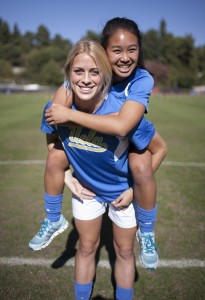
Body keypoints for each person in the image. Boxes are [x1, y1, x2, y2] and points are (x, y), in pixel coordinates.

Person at [44, 17, 168, 270]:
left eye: (132, 50)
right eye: (116, 51)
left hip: (130, 141)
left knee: (141, 166)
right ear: (103, 53)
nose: (125, 58)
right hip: (101, 147)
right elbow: (55, 114)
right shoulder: (91, 74)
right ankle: (52, 219)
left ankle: (147, 232)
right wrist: (66, 173)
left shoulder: (141, 79)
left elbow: (123, 125)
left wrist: (134, 190)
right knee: (59, 155)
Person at [41, 39, 139, 300]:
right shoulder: (57, 108)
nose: (85, 79)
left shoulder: (123, 110)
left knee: (125, 251)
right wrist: (67, 176)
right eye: (78, 71)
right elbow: (53, 142)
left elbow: (155, 150)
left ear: (105, 74)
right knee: (86, 247)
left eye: (94, 71)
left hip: (123, 192)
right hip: (87, 190)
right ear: (68, 74)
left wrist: (133, 189)